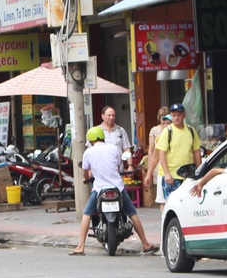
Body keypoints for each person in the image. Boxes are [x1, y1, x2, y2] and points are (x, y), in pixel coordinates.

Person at [70, 126, 159, 256]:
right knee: (132, 213)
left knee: (87, 213)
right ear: (102, 137)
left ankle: (80, 246)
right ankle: (145, 243)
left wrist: (86, 178)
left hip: (99, 188)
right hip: (118, 187)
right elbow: (117, 166)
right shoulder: (114, 148)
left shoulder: (88, 153)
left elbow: (86, 173)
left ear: (90, 139)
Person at [155, 103, 202, 199]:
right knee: (172, 206)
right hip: (172, 177)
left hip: (188, 177)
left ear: (184, 115)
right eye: (174, 115)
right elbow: (161, 154)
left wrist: (199, 171)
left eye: (179, 115)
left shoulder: (191, 130)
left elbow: (196, 152)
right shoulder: (167, 131)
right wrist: (167, 173)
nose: (176, 118)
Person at [142, 107, 171, 209]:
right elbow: (151, 149)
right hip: (158, 163)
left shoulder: (173, 130)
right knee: (161, 194)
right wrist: (150, 166)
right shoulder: (154, 130)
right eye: (162, 118)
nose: (164, 120)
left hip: (170, 162)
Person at [95, 105, 133, 170]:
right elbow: (90, 150)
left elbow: (126, 149)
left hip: (118, 169)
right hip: (101, 169)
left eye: (113, 115)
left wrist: (130, 165)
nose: (111, 117)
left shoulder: (120, 130)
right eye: (109, 115)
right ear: (102, 116)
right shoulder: (96, 131)